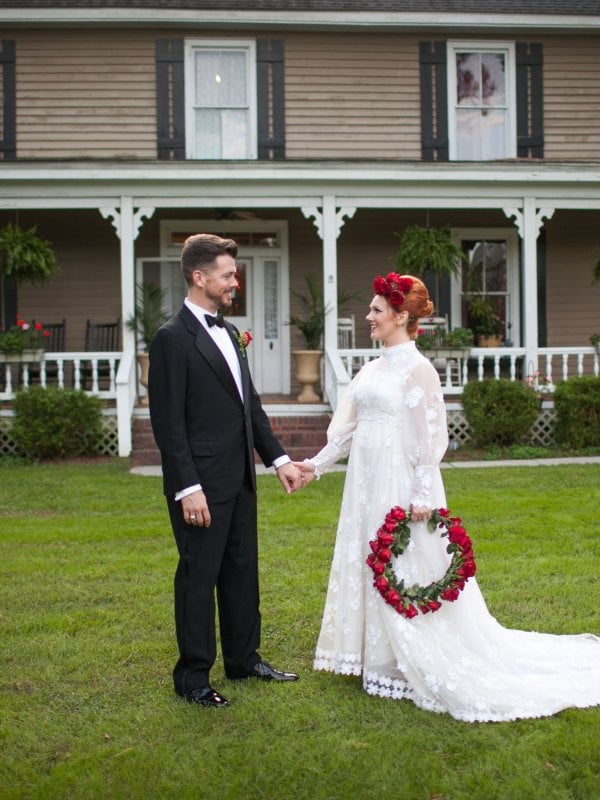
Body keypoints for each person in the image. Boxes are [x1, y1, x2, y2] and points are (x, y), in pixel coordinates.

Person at [294, 272, 600, 722]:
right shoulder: (370, 369)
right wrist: (313, 467)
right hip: (365, 479)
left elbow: (429, 438)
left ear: (401, 316)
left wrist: (420, 495)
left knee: (404, 561)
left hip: (399, 480)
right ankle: (372, 650)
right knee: (367, 554)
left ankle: (407, 652)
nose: (368, 317)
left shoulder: (419, 370)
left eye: (377, 310)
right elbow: (346, 432)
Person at [148, 233, 301, 709]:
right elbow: (167, 422)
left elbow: (247, 406)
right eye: (227, 274)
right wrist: (187, 487)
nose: (235, 281)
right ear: (199, 277)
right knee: (199, 577)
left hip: (239, 479)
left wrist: (277, 459)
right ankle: (193, 677)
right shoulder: (172, 339)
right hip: (199, 485)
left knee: (240, 571)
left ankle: (243, 659)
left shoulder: (231, 333)